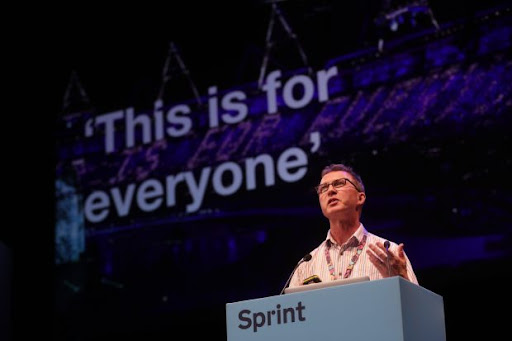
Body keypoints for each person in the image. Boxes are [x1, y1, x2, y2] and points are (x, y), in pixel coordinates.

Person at [289, 163, 418, 287]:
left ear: (360, 198)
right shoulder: (306, 265)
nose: (330, 191)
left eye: (339, 183)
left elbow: (416, 308)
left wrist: (402, 278)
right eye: (323, 188)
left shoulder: (390, 255)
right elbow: (292, 308)